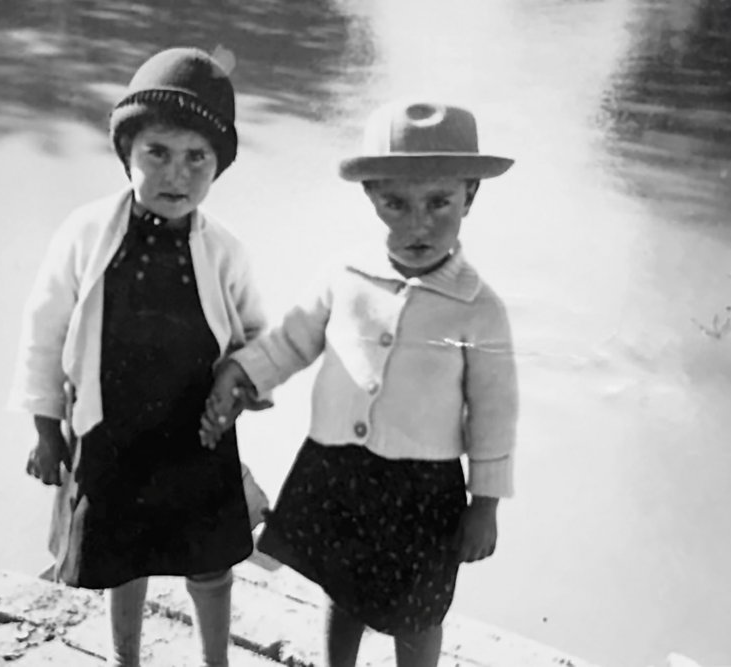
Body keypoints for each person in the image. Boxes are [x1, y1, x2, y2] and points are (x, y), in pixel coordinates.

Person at [200, 100, 519, 667]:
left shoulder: (480, 308)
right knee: (342, 588)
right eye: (396, 203)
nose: (418, 223)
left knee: (418, 611)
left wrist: (485, 504)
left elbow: (495, 413)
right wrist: (242, 372)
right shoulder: (343, 273)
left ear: (471, 196)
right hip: (340, 471)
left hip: (424, 490)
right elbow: (291, 341)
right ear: (370, 195)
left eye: (439, 202)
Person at [8, 47, 268, 667]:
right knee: (124, 562)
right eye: (157, 153)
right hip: (113, 432)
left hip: (196, 438)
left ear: (217, 167)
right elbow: (43, 332)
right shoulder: (84, 233)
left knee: (210, 565)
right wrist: (47, 429)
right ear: (126, 152)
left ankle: (216, 661)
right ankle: (125, 658)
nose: (176, 175)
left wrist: (240, 383)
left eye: (196, 158)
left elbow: (258, 337)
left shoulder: (225, 250)